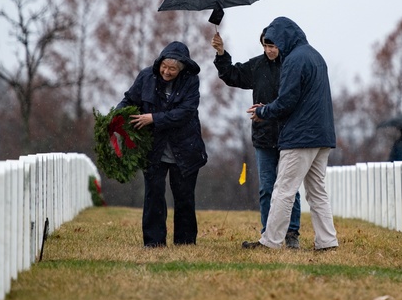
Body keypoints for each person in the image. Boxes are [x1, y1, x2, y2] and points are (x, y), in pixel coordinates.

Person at [240, 17, 339, 251]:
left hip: (300, 137)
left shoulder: (294, 60)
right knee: (317, 192)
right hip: (322, 136)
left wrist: (263, 111)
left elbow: (287, 101)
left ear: (285, 38)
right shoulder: (315, 56)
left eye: (274, 42)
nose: (272, 47)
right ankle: (327, 241)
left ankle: (270, 241)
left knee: (283, 190)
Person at [212, 30, 302, 249]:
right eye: (265, 46)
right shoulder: (257, 66)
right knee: (266, 188)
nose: (268, 50)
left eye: (272, 46)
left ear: (281, 44)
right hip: (263, 138)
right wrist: (221, 53)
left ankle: (291, 233)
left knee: (290, 188)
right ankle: (267, 233)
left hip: (289, 136)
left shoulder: (292, 65)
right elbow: (231, 75)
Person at [116, 41, 207, 247]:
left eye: (172, 69)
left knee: (184, 197)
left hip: (185, 149)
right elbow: (130, 100)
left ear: (182, 68)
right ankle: (154, 242)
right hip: (153, 149)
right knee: (153, 196)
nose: (167, 71)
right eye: (164, 66)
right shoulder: (146, 76)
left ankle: (185, 242)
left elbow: (185, 112)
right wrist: (115, 117)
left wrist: (154, 119)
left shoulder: (191, 82)